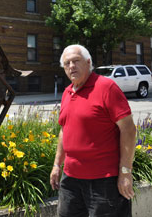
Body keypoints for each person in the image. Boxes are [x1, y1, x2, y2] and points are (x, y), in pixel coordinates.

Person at [50, 44, 136, 217]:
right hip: (71, 180)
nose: (71, 66)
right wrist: (57, 164)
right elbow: (64, 130)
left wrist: (125, 172)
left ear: (88, 63)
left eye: (76, 61)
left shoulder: (106, 87)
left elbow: (129, 129)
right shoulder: (67, 92)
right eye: (67, 63)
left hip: (104, 180)